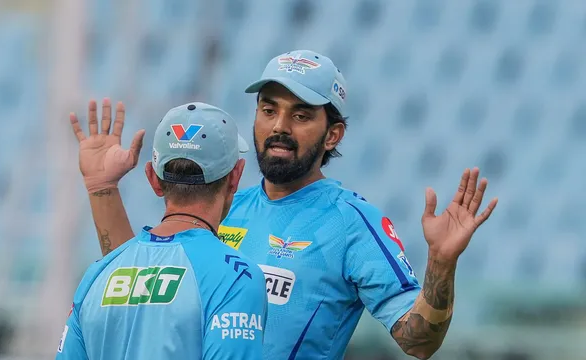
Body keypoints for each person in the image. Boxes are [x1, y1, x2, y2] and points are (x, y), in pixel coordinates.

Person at [74, 50, 498, 360]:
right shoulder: (220, 208)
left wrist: (441, 263)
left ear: (333, 135)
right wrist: (102, 189)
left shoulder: (352, 223)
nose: (279, 126)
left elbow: (418, 341)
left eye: (300, 115)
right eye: (268, 109)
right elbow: (137, 285)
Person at [56, 102, 267, 360]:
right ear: (235, 176)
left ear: (153, 179)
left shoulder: (96, 276)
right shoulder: (236, 277)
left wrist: (102, 187)